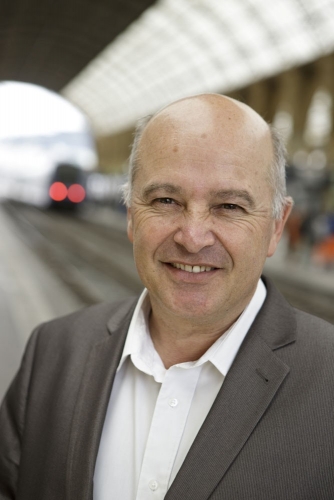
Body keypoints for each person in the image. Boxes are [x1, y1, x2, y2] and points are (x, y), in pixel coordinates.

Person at [1, 94, 334, 500]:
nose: (192, 238)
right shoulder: (51, 352)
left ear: (277, 226)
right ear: (130, 213)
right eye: (165, 201)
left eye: (228, 206)